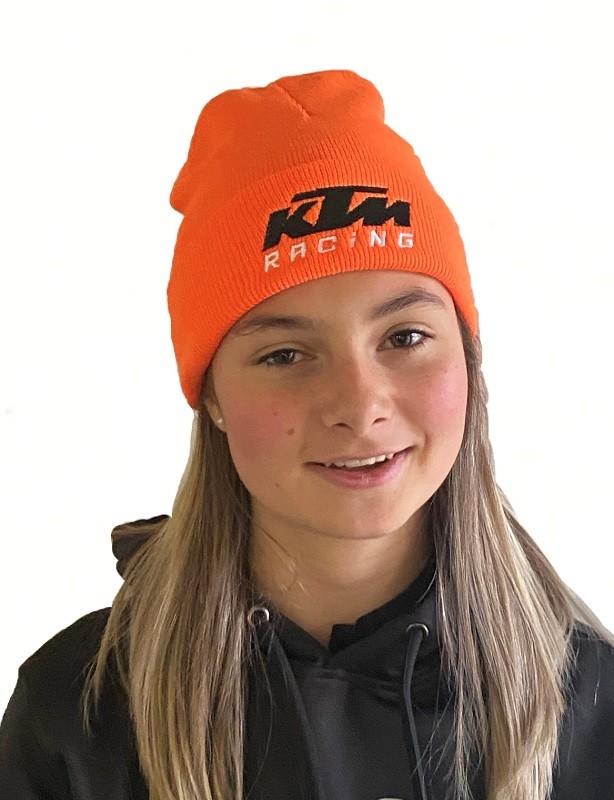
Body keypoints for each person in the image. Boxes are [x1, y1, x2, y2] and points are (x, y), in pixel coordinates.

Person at [0, 69, 612, 800]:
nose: (359, 405)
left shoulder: (590, 704)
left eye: (405, 337)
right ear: (212, 396)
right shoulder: (79, 715)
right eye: (286, 355)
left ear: (468, 361)